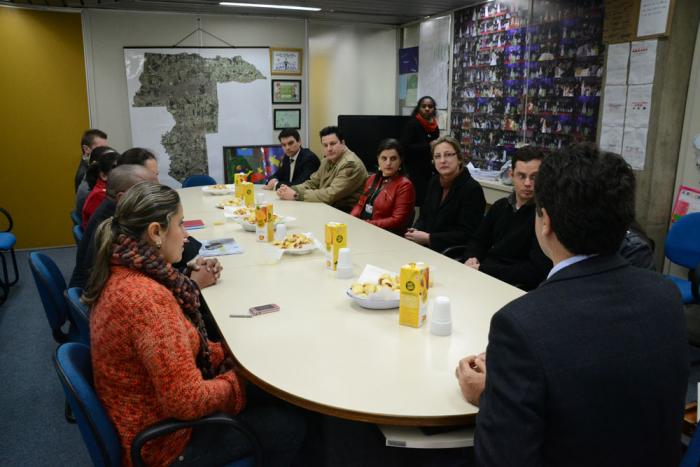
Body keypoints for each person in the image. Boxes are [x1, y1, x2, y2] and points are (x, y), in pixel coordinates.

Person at [455, 143, 688, 467]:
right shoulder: (667, 296)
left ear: (545, 220)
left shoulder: (521, 325)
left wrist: (490, 396)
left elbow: (501, 457)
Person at [84, 182, 305, 466]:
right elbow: (188, 401)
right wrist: (241, 380)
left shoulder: (126, 270)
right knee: (288, 422)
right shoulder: (145, 300)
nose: (187, 236)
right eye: (180, 224)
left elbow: (178, 354)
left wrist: (228, 355)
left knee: (268, 385)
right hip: (166, 447)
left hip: (149, 418)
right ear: (155, 233)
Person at [463, 147, 552, 290]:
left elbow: (535, 271)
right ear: (512, 175)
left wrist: (484, 270)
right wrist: (471, 258)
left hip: (512, 287)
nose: (528, 183)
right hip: (481, 276)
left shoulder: (544, 216)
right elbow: (478, 241)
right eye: (521, 176)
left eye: (534, 177)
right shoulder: (500, 206)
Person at [405, 136, 485, 252]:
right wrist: (415, 230)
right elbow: (424, 217)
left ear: (459, 159)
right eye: (437, 156)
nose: (442, 160)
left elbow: (466, 234)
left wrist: (429, 238)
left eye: (448, 155)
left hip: (450, 253)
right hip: (425, 248)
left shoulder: (472, 189)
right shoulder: (434, 182)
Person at [277, 126, 367, 212]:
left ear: (343, 143)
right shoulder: (326, 160)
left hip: (345, 213)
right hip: (328, 208)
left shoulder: (350, 164)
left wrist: (296, 195)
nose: (329, 149)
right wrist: (291, 189)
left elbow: (330, 194)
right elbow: (313, 183)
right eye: (325, 145)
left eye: (333, 144)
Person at [350, 138, 416, 235]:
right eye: (384, 158)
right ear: (378, 159)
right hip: (365, 229)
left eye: (393, 158)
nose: (388, 163)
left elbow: (398, 220)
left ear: (400, 160)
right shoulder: (371, 179)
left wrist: (368, 224)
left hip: (386, 234)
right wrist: (350, 220)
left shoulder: (405, 185)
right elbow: (360, 205)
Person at [400, 96, 439, 207]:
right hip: (414, 170)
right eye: (424, 106)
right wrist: (428, 146)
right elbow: (404, 147)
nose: (427, 109)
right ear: (419, 108)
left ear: (434, 109)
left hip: (429, 169)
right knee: (418, 202)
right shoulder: (412, 124)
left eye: (430, 106)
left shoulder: (434, 126)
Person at [81, 147, 119, 228]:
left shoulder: (103, 190)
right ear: (104, 175)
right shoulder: (100, 195)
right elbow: (104, 229)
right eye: (117, 171)